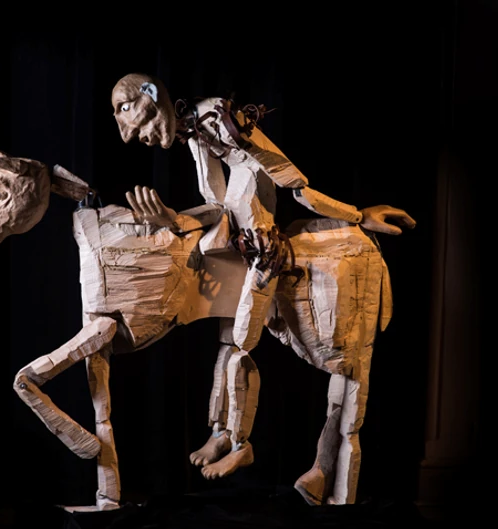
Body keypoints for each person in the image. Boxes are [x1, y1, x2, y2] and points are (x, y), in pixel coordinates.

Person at [111, 73, 416, 479]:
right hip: (239, 250)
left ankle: (241, 444)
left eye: (143, 126)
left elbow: (295, 183)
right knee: (226, 341)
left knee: (241, 343)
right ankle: (220, 433)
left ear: (151, 96)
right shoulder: (195, 130)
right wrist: (172, 219)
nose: (144, 138)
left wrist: (358, 215)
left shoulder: (220, 119)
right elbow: (216, 207)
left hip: (264, 253)